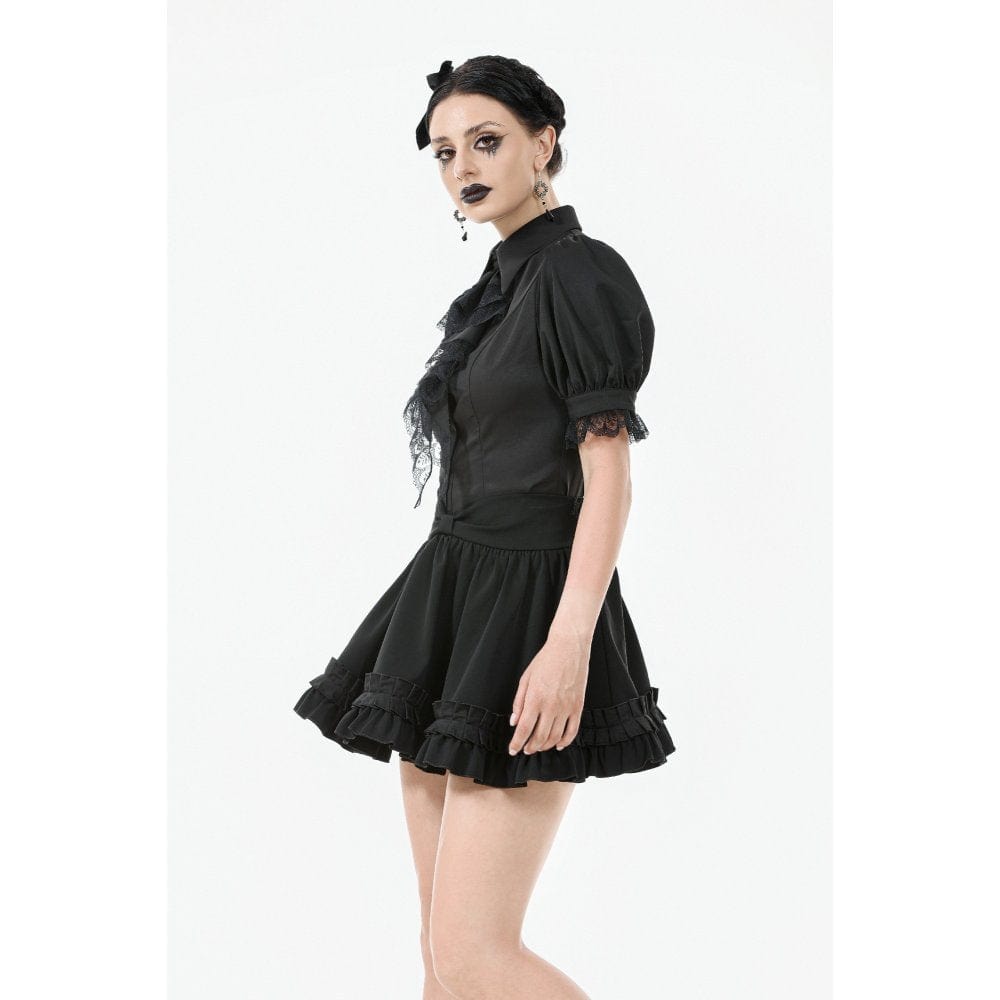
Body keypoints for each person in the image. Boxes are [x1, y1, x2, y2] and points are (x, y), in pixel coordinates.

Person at [293, 54, 676, 1000]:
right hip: (453, 599)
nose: (462, 166)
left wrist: (569, 643)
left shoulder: (579, 275)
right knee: (444, 962)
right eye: (443, 152)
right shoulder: (502, 284)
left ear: (544, 144)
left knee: (474, 953)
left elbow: (609, 472)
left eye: (486, 141)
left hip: (533, 608)